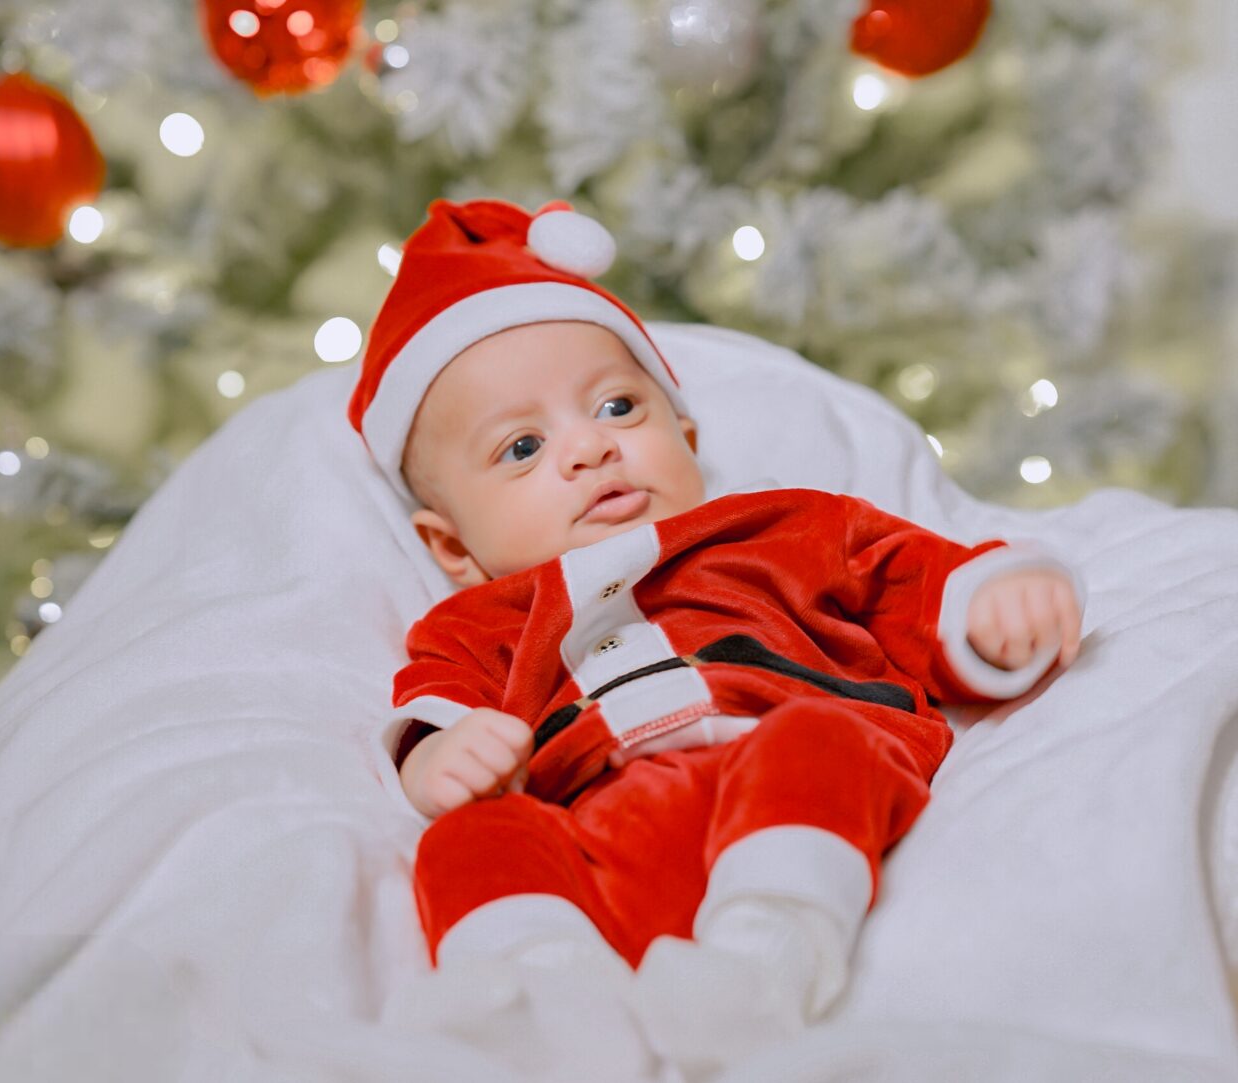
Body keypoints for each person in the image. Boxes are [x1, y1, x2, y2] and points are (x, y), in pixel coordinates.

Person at [347, 197, 1085, 1078]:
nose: (589, 449)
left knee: (819, 741)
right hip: (604, 827)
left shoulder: (777, 526)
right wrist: (441, 756)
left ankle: (766, 960)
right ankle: (543, 996)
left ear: (686, 439)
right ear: (452, 545)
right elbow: (437, 699)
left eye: (619, 406)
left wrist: (991, 606)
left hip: (789, 767)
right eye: (522, 448)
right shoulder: (483, 618)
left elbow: (901, 573)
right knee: (467, 842)